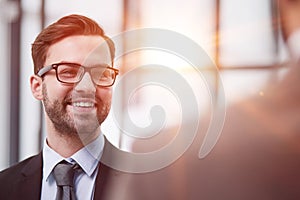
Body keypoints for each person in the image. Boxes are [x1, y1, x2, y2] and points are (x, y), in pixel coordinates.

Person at [0, 14, 121, 200]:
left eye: (101, 73)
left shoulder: (149, 182)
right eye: (69, 72)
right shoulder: (4, 187)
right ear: (37, 87)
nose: (87, 87)